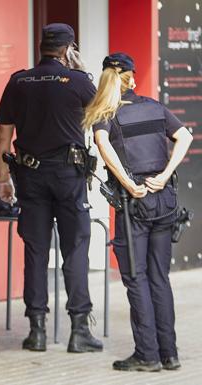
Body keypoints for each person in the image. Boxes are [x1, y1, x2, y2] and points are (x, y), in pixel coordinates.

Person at [0, 23, 103, 353]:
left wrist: (3, 179)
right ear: (69, 49)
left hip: (30, 177)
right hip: (68, 178)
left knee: (36, 252)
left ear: (42, 47)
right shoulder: (79, 82)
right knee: (75, 249)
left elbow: (2, 137)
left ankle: (37, 331)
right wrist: (85, 78)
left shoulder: (19, 81)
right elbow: (102, 122)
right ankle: (79, 330)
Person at [85, 53, 192, 371]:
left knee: (136, 278)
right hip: (165, 200)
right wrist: (165, 173)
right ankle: (169, 354)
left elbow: (102, 144)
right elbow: (184, 136)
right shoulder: (154, 106)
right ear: (132, 78)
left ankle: (147, 354)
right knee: (160, 277)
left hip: (135, 204)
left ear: (109, 78)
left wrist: (130, 184)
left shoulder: (107, 113)